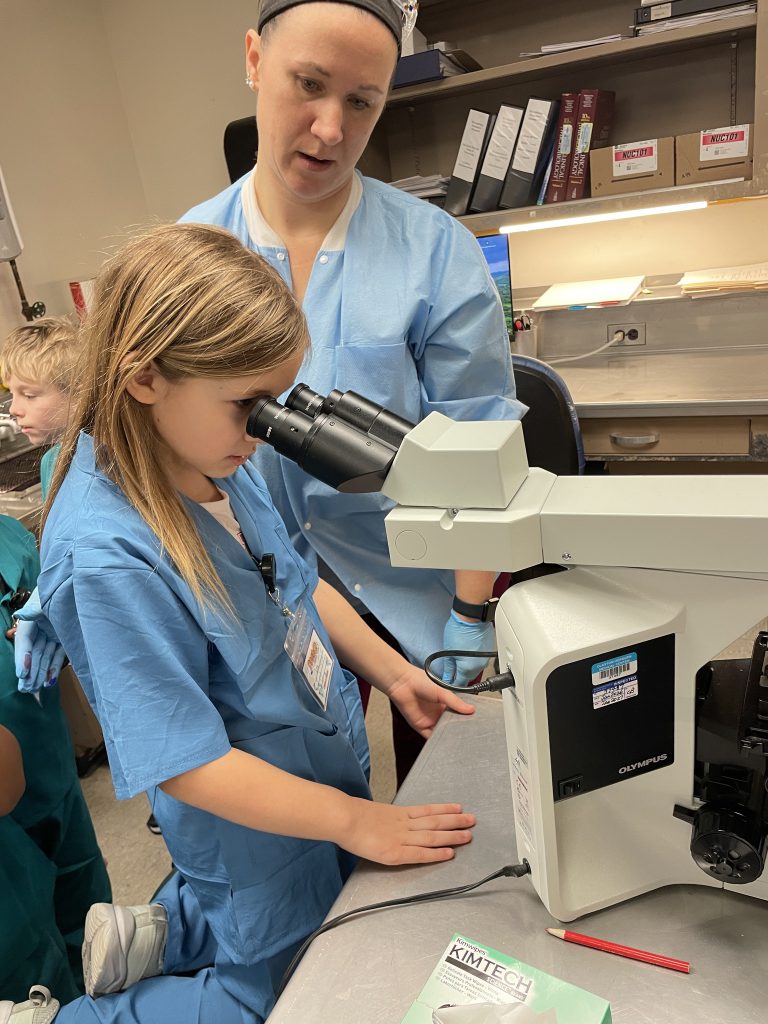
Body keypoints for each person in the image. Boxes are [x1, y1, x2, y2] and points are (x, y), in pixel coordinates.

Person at [4, 221, 476, 1023]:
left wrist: (394, 674)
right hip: (249, 830)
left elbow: (296, 579)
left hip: (313, 783)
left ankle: (164, 935)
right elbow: (184, 764)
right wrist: (359, 821)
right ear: (146, 376)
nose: (264, 432)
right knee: (269, 996)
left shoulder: (211, 456)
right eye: (247, 407)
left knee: (308, 928)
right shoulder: (110, 553)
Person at [180, 0, 525, 785]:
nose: (331, 128)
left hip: (415, 581)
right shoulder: (189, 253)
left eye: (362, 102)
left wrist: (471, 617)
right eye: (308, 84)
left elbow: (480, 450)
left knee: (453, 791)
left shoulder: (433, 251)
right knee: (302, 808)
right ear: (253, 60)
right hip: (254, 585)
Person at [0, 513, 111, 1007]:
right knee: (33, 975)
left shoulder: (8, 533)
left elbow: (44, 598)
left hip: (45, 748)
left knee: (91, 919)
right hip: (9, 802)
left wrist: (53, 625)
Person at [2, 316, 79, 500]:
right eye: (12, 393)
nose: (14, 409)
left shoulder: (111, 463)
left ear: (78, 394)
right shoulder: (51, 463)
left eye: (29, 395)